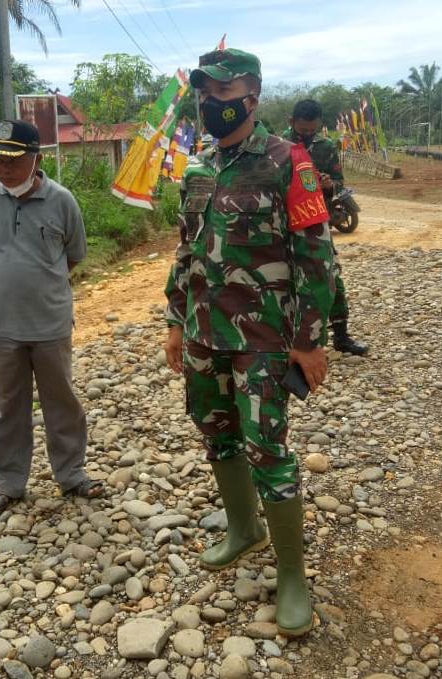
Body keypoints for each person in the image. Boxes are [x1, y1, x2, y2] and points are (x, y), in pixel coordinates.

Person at [164, 49, 336, 637]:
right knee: (214, 429)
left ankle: (293, 576)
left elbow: (318, 257)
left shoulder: (291, 162)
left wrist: (310, 342)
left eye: (225, 89)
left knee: (268, 448)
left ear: (253, 95)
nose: (213, 101)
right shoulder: (198, 168)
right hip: (202, 334)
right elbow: (187, 250)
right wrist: (173, 319)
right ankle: (244, 529)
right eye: (205, 92)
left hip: (264, 338)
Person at [0, 119, 104, 512]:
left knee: (62, 402)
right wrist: (6, 286)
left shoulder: (62, 200)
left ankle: (72, 475)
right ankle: (9, 483)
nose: (3, 167)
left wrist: (40, 286)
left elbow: (74, 256)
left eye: (13, 159)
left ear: (36, 158)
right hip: (1, 325)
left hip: (50, 324)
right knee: (8, 407)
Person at [283, 99, 369, 356]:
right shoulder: (278, 148)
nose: (308, 134)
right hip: (283, 225)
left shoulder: (327, 147)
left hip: (315, 224)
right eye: (302, 129)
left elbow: (341, 185)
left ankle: (341, 336)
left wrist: (330, 185)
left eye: (313, 129)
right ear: (291, 122)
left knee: (331, 279)